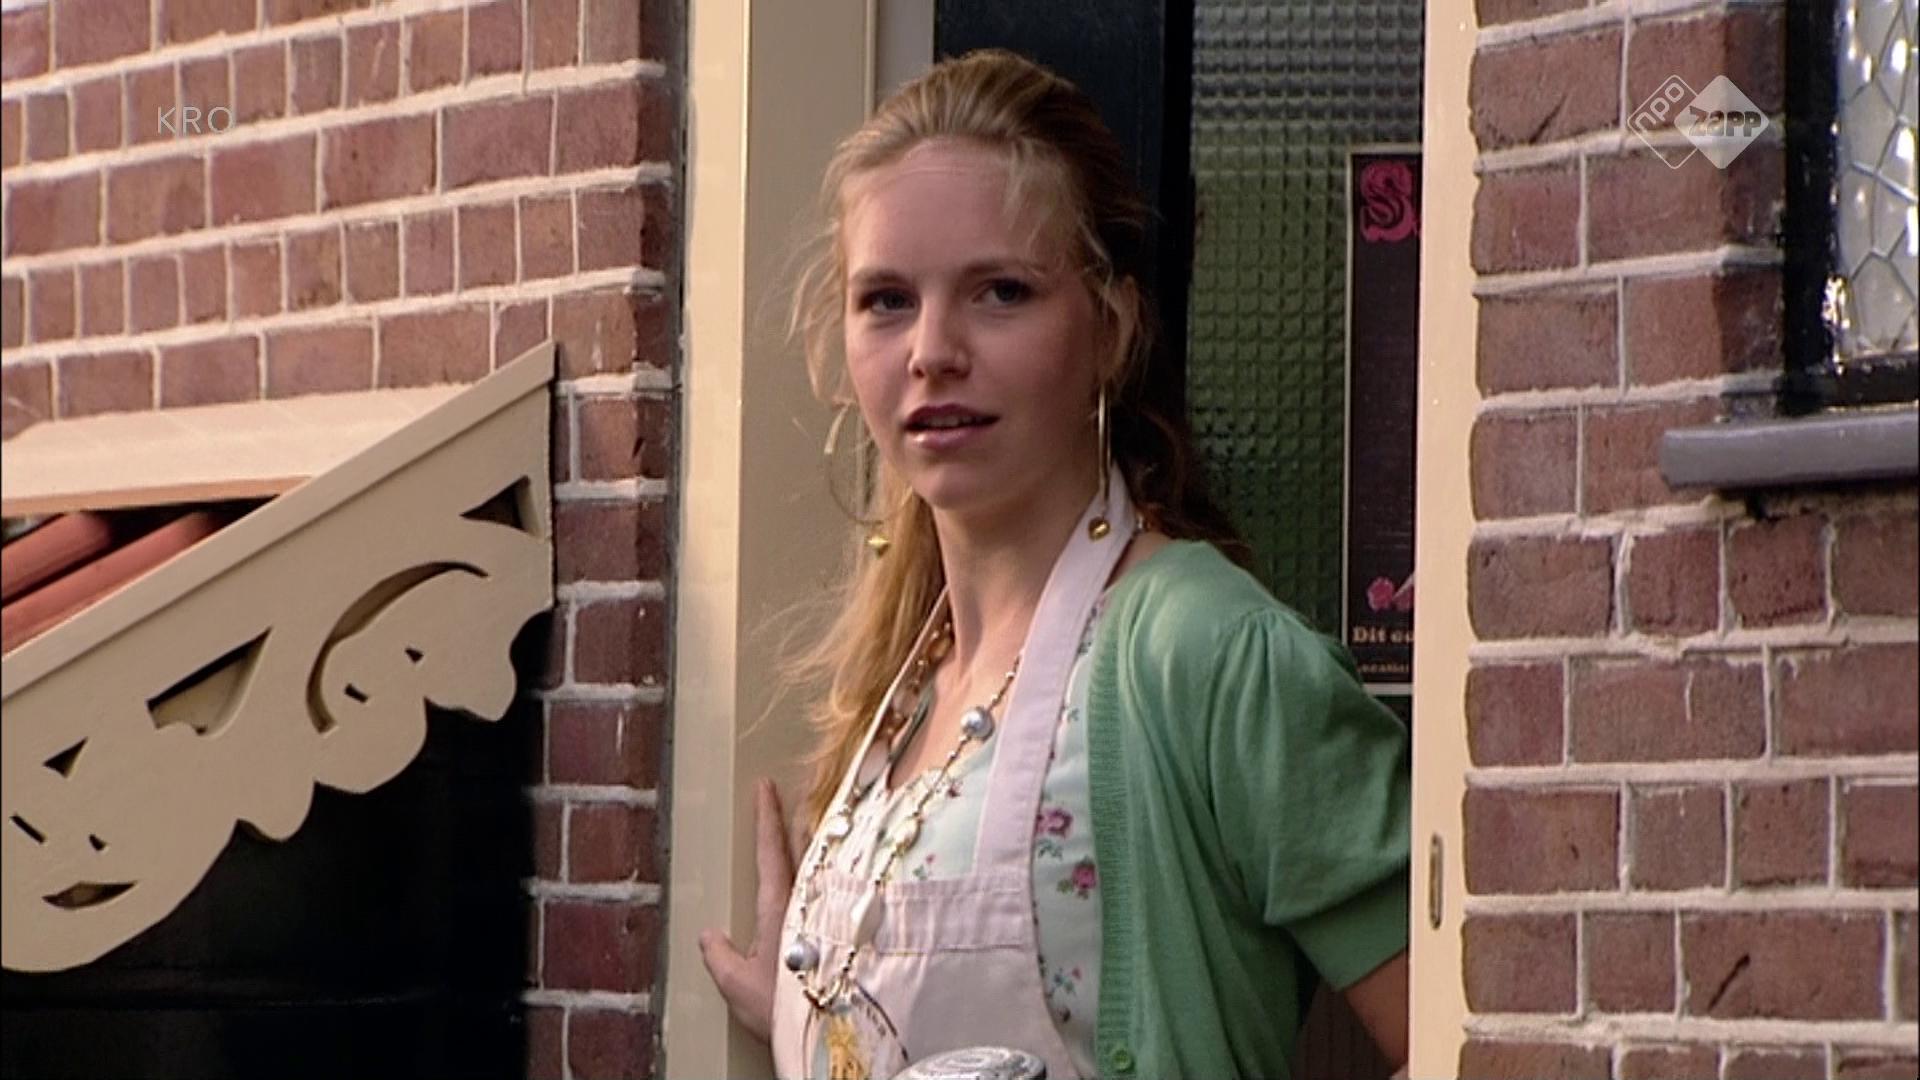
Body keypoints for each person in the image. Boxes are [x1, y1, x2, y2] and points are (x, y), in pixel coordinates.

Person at [699, 49, 1412, 1080]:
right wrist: (811, 1003)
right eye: (887, 300)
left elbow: (1479, 1030)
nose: (932, 350)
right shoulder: (902, 688)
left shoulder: (1207, 654)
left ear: (1109, 327)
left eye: (1001, 291)